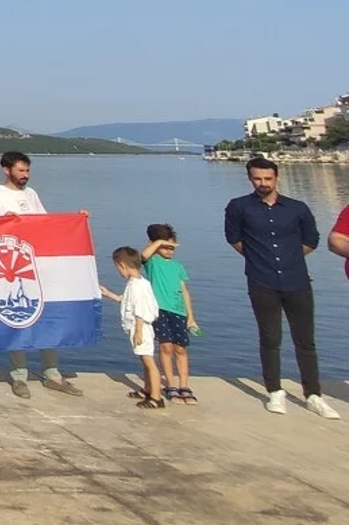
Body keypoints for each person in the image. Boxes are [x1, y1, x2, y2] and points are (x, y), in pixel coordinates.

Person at [224, 157, 336, 418]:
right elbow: (234, 238)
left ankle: (313, 395)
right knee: (270, 338)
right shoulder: (239, 207)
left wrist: (288, 259)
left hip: (297, 281)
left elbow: (311, 240)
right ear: (250, 178)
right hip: (261, 281)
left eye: (268, 178)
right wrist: (260, 259)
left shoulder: (297, 208)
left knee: (305, 340)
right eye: (257, 178)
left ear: (277, 177)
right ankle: (275, 391)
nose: (263, 183)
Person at [0, 151, 81, 399]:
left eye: (27, 171)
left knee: (45, 318)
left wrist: (75, 221)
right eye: (21, 171)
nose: (25, 175)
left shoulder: (31, 194)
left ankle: (52, 373)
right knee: (17, 319)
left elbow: (45, 224)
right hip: (10, 269)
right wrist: (2, 223)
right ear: (7, 170)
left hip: (35, 267)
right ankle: (19, 376)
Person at [140, 224, 198, 404]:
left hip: (178, 311)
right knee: (165, 347)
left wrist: (191, 317)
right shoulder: (153, 262)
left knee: (180, 349)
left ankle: (184, 386)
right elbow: (143, 256)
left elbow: (184, 291)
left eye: (172, 247)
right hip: (160, 310)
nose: (169, 250)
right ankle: (170, 385)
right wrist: (158, 242)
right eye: (165, 247)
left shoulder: (178, 267)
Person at [112, 246, 165, 410]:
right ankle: (147, 389)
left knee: (149, 361)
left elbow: (140, 309)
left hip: (141, 328)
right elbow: (128, 302)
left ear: (122, 265)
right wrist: (108, 294)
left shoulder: (138, 286)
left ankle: (156, 397)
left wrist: (139, 331)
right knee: (144, 359)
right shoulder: (136, 283)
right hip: (137, 327)